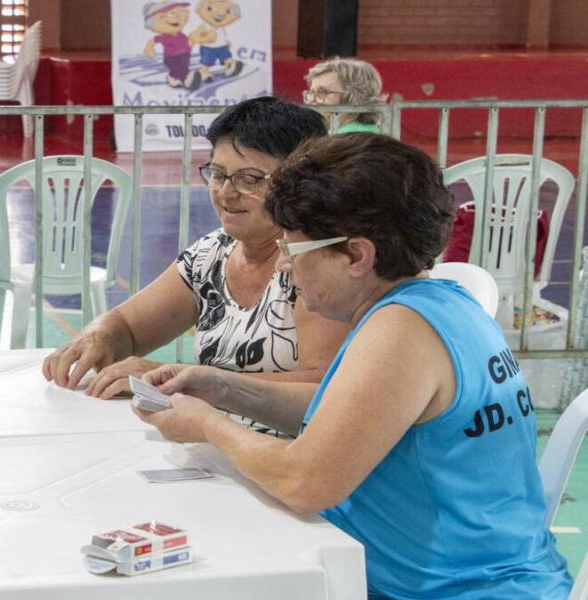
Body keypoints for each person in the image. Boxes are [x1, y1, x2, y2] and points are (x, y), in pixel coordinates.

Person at [135, 133, 572, 598]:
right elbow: (346, 420)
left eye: (293, 249)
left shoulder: (402, 331)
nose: (284, 265)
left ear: (358, 255)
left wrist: (208, 425)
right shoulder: (439, 305)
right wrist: (224, 389)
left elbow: (305, 481)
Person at [43, 97, 350, 413]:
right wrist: (99, 337)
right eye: (218, 174)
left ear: (300, 182)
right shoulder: (212, 254)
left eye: (250, 179)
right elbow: (127, 325)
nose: (226, 193)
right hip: (212, 442)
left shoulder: (316, 263)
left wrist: (188, 380)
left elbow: (325, 388)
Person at [302, 57, 386, 134]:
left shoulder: (337, 142)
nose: (311, 100)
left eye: (323, 93)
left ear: (354, 97)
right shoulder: (378, 135)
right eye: (311, 93)